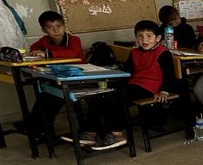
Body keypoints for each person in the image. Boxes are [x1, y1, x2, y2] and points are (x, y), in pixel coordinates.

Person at [82, 20, 185, 149]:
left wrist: (164, 91)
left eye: (149, 36)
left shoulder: (162, 53)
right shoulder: (134, 52)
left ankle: (117, 134)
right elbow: (128, 72)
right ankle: (90, 133)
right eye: (140, 36)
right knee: (100, 95)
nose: (144, 39)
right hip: (133, 85)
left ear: (158, 38)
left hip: (150, 88)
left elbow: (169, 75)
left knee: (115, 98)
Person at [23, 11, 82, 139]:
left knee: (52, 96)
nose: (56, 30)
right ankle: (38, 128)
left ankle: (39, 127)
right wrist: (37, 52)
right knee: (45, 95)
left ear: (64, 26)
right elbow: (33, 48)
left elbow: (73, 53)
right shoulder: (45, 40)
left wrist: (48, 54)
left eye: (59, 26)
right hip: (58, 77)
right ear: (43, 30)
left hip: (77, 77)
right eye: (50, 27)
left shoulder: (74, 40)